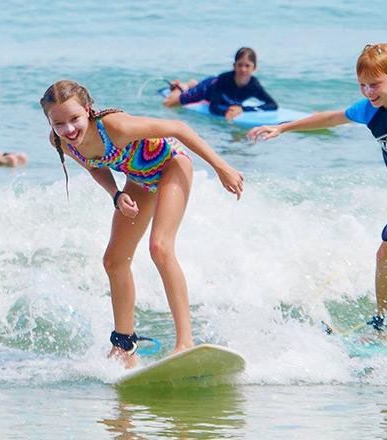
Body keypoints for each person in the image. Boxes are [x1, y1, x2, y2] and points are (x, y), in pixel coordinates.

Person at [248, 43, 387, 357]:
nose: (369, 91)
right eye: (363, 85)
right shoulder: (371, 109)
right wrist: (284, 128)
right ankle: (384, 328)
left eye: (375, 84)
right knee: (384, 258)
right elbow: (331, 118)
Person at [40, 79, 244, 368]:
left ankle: (185, 342)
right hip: (139, 179)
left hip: (171, 164)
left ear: (88, 110)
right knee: (114, 260)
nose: (69, 129)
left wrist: (222, 167)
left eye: (74, 119)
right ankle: (124, 346)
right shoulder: (61, 141)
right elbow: (94, 166)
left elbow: (179, 128)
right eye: (59, 123)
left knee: (160, 247)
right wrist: (116, 194)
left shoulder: (116, 127)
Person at [163, 47, 278, 122]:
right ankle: (181, 87)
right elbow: (213, 107)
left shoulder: (254, 85)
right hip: (207, 89)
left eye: (247, 66)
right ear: (234, 66)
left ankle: (191, 85)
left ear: (254, 68)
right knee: (169, 104)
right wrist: (227, 111)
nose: (243, 69)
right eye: (240, 65)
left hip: (226, 100)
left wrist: (243, 109)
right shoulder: (224, 79)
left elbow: (272, 104)